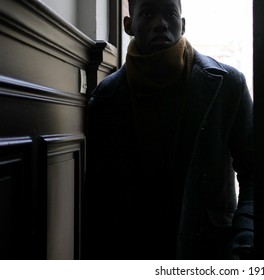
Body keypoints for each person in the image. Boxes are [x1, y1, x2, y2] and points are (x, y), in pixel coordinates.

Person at [82, 0, 254, 260]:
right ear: (129, 25)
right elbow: (99, 197)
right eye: (148, 14)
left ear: (182, 25)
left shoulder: (229, 85)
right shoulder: (105, 99)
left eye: (170, 14)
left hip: (210, 251)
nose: (160, 24)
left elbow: (254, 173)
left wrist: (244, 239)